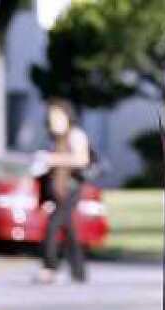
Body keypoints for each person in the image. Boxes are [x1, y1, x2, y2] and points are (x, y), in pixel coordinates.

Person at [35, 98, 92, 284]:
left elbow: (82, 159)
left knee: (52, 226)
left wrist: (52, 159)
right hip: (57, 190)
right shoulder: (53, 138)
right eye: (51, 117)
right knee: (69, 231)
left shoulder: (76, 135)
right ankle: (79, 272)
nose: (54, 121)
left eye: (57, 117)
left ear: (67, 116)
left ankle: (49, 267)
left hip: (71, 188)